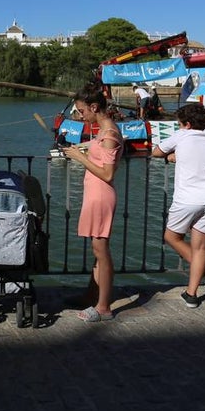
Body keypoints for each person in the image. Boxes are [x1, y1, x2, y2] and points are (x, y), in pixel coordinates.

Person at [152, 102, 205, 308]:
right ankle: (191, 295)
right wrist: (179, 155)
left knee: (171, 237)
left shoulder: (182, 135)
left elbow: (157, 152)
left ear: (187, 124)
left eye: (180, 123)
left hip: (187, 199)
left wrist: (172, 155)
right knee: (200, 247)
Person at [64, 84, 124, 322]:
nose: (80, 115)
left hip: (101, 195)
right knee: (97, 251)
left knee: (101, 251)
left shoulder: (109, 134)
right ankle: (92, 295)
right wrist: (85, 149)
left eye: (81, 111)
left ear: (94, 107)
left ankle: (103, 308)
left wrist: (80, 158)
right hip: (94, 194)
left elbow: (108, 174)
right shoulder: (103, 131)